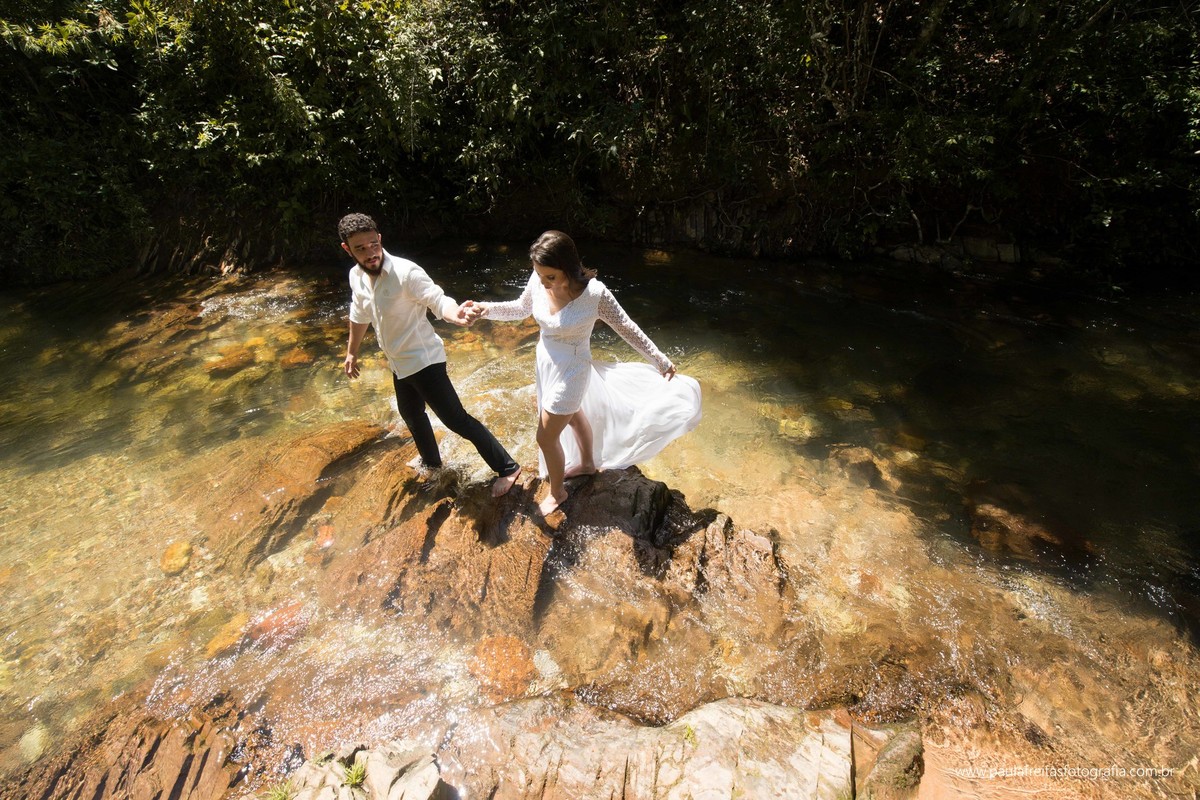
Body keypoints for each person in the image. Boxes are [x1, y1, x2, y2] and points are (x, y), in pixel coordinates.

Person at [473, 230, 701, 515]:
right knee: (575, 418)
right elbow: (520, 308)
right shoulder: (539, 278)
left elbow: (627, 328)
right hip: (546, 362)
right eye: (539, 275)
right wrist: (484, 309)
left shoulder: (595, 294)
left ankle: (558, 493)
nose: (543, 283)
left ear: (568, 268)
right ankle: (588, 465)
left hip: (573, 369)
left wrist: (660, 360)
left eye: (550, 277)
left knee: (545, 437)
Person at [338, 212, 521, 496]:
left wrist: (457, 314)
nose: (370, 253)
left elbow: (437, 299)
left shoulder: (406, 272)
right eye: (360, 248)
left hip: (425, 362)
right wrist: (352, 352)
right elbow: (359, 315)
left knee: (456, 420)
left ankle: (508, 467)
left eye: (373, 244)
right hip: (399, 363)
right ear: (347, 249)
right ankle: (433, 465)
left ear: (380, 239)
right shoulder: (356, 276)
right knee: (411, 414)